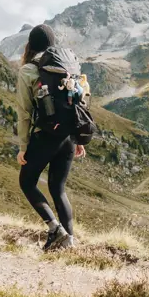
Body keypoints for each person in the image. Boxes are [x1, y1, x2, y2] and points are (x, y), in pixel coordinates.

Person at [17, 24, 85, 250]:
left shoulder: (28, 70)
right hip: (67, 137)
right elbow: (80, 102)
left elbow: (24, 112)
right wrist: (77, 138)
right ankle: (70, 241)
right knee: (58, 189)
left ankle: (55, 230)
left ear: (31, 44)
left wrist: (23, 146)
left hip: (45, 135)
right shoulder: (69, 66)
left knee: (26, 182)